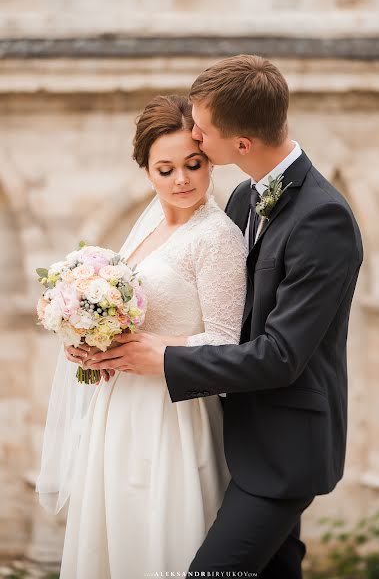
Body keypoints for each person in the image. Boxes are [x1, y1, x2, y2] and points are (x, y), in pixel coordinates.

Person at [87, 55, 364, 578]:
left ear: (240, 145)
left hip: (283, 452)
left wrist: (163, 358)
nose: (193, 134)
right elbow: (224, 312)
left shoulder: (323, 219)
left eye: (202, 130)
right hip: (228, 436)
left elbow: (280, 356)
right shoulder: (243, 197)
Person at [36, 94, 248, 577]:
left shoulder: (217, 238)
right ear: (147, 171)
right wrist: (88, 338)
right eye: (165, 169)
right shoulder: (148, 229)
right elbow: (130, 316)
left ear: (208, 162)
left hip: (174, 416)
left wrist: (149, 351)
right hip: (119, 411)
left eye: (193, 165)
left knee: (161, 541)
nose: (182, 180)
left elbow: (226, 344)